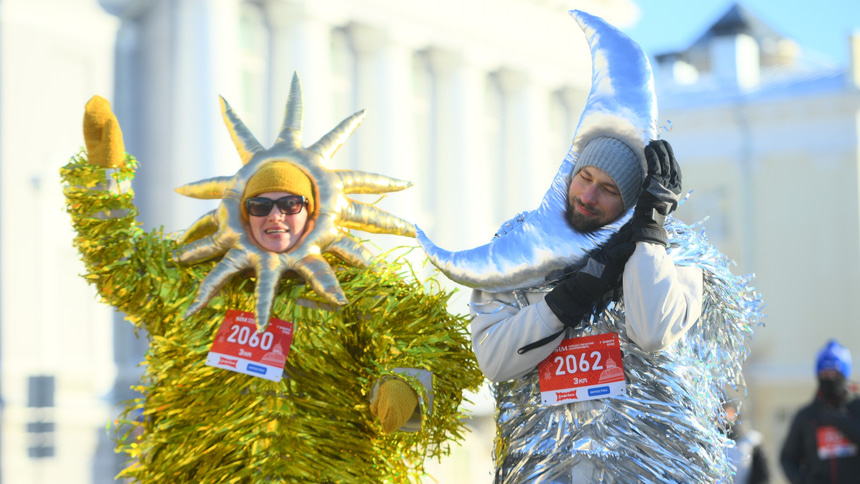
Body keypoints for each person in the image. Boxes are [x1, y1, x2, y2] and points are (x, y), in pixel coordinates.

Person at [62, 76, 482, 483]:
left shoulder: (354, 290)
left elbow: (425, 337)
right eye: (260, 205)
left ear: (313, 209)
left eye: (290, 203)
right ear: (244, 212)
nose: (275, 216)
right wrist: (104, 182)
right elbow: (122, 266)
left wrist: (405, 387)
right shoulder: (199, 285)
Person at [416, 10, 762, 483]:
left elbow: (653, 329)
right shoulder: (517, 254)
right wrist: (570, 297)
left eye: (608, 190)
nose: (588, 195)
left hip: (642, 469)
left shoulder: (680, 258)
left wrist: (648, 236)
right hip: (548, 466)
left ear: (631, 200)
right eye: (585, 177)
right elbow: (495, 360)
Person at [780, 340, 860, 484]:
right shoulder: (806, 416)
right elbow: (788, 458)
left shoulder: (857, 409)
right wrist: (802, 480)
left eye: (833, 373)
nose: (829, 378)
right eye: (824, 373)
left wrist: (842, 422)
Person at [724, 401, 770, 484]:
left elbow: (761, 477)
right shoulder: (709, 442)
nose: (723, 415)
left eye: (726, 410)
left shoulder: (752, 441)